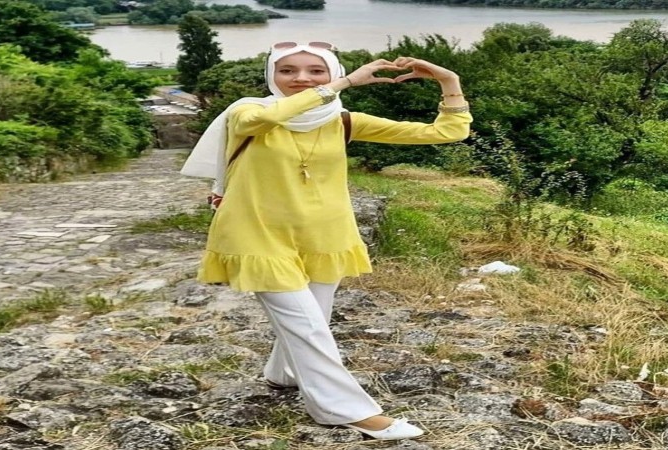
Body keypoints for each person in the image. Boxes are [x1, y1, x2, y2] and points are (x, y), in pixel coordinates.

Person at [181, 41, 472, 440]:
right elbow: (269, 118)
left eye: (315, 70)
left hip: (323, 235)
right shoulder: (248, 112)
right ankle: (343, 410)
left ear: (329, 70)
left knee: (313, 318)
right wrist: (342, 84)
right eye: (288, 70)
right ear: (271, 75)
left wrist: (449, 81)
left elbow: (448, 132)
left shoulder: (341, 120)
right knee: (309, 327)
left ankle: (283, 372)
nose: (301, 78)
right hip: (257, 235)